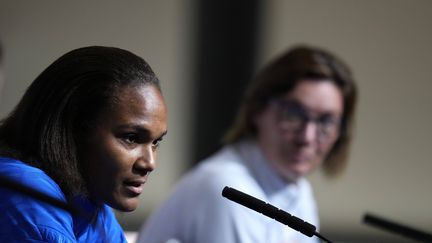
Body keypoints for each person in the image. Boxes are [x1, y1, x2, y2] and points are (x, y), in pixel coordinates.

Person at [137, 45, 357, 243]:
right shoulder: (228, 189)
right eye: (293, 114)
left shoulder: (300, 193)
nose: (307, 137)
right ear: (258, 110)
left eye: (326, 122)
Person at [0, 46, 168, 242]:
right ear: (75, 127)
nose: (149, 163)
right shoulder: (24, 192)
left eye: (156, 142)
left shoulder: (91, 202)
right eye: (130, 138)